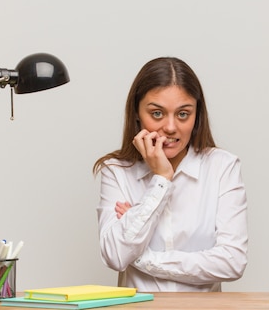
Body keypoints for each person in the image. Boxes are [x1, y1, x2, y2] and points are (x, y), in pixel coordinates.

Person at [93, 57, 247, 292]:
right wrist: (161, 178)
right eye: (157, 114)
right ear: (137, 113)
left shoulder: (222, 167)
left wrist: (144, 259)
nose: (171, 127)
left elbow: (232, 262)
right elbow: (115, 256)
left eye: (183, 114)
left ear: (196, 116)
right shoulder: (116, 171)